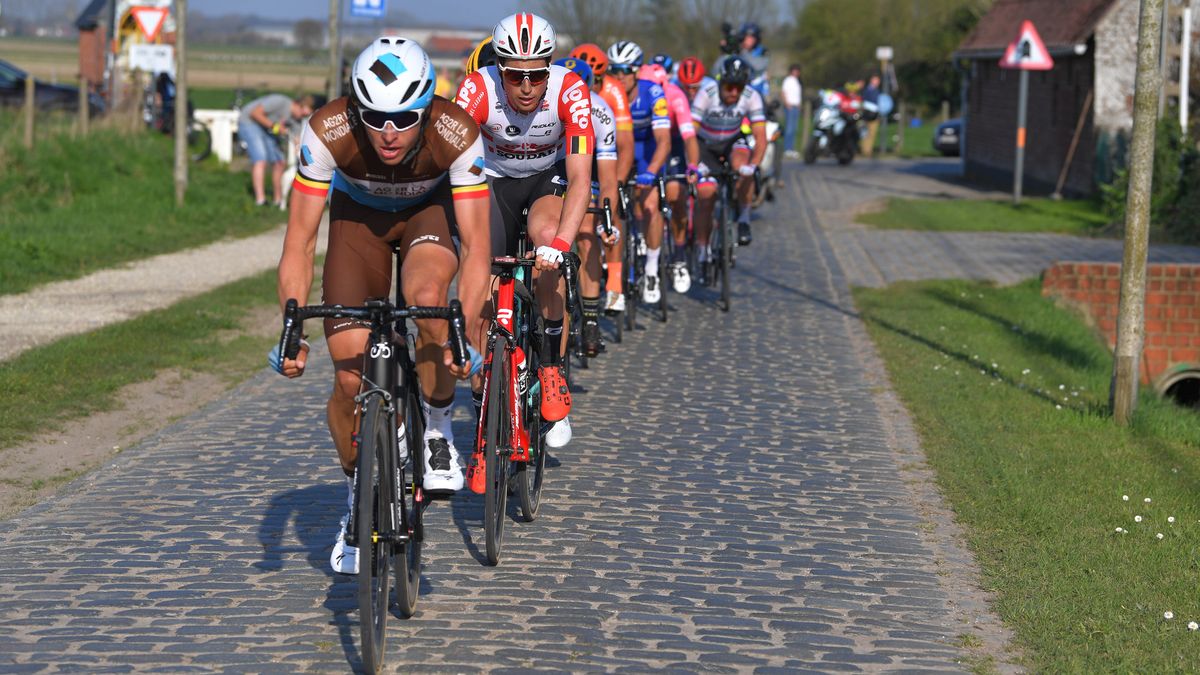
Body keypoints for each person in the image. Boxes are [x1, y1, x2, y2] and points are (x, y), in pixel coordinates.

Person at [272, 37, 491, 575]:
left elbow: (479, 244)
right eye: (375, 118)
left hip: (428, 215)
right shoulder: (328, 130)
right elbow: (299, 242)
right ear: (355, 107)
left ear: (426, 108)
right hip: (359, 223)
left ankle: (437, 428)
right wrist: (291, 330)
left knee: (426, 303)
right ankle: (360, 490)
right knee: (349, 376)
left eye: (404, 118)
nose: (389, 133)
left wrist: (466, 329)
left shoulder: (456, 132)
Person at [456, 12, 595, 450]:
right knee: (480, 272)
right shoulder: (477, 89)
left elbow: (580, 178)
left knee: (547, 246)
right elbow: (451, 161)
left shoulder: (570, 90)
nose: (528, 87)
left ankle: (551, 368)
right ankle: (483, 377)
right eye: (516, 76)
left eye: (537, 75)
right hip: (491, 182)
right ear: (500, 68)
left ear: (549, 67)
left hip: (545, 181)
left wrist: (559, 246)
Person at [553, 56, 621, 358]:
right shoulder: (548, 104)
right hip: (554, 169)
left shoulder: (600, 112)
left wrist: (607, 218)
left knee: (584, 229)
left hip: (588, 170)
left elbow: (607, 179)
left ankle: (591, 316)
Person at [570, 42, 635, 314]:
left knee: (611, 208)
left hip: (603, 154)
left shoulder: (612, 92)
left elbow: (626, 146)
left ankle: (615, 286)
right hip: (573, 154)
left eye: (598, 80)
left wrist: (614, 189)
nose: (594, 85)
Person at [607, 40, 671, 305]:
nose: (620, 76)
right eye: (615, 70)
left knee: (650, 205)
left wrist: (652, 172)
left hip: (646, 153)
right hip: (618, 151)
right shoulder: (608, 94)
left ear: (636, 72)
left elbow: (664, 140)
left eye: (625, 70)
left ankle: (653, 269)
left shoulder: (653, 93)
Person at [691, 57, 767, 252]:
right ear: (720, 82)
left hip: (732, 140)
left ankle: (744, 218)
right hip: (705, 143)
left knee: (744, 168)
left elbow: (760, 137)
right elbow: (690, 133)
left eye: (739, 88)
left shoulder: (751, 96)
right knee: (706, 194)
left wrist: (754, 165)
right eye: (729, 87)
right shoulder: (706, 94)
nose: (734, 92)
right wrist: (694, 163)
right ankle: (702, 248)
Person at [639, 62, 700, 294]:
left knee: (677, 193)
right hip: (645, 143)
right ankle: (639, 237)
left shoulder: (675, 96)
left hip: (671, 143)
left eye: (660, 87)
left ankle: (679, 256)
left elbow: (689, 136)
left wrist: (692, 165)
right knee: (640, 196)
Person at [237, 92, 315, 207]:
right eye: (302, 113)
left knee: (279, 162)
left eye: (305, 116)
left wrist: (309, 159)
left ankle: (278, 200)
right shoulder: (279, 101)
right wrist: (276, 127)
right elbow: (255, 113)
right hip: (249, 122)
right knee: (260, 159)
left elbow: (298, 141)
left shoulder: (296, 120)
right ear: (297, 104)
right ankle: (261, 200)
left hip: (266, 128)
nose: (301, 117)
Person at [714, 22, 770, 101]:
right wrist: (725, 52)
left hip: (756, 94)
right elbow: (715, 71)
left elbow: (758, 66)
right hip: (736, 93)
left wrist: (742, 50)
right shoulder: (735, 51)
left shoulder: (762, 52)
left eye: (752, 37)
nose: (748, 39)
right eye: (746, 36)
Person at [781, 64, 803, 159]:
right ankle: (787, 149)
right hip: (790, 107)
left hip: (795, 107)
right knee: (789, 128)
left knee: (794, 129)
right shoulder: (788, 80)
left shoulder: (797, 81)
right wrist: (786, 103)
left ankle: (791, 148)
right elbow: (783, 92)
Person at [860, 74, 881, 158]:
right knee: (865, 133)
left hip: (874, 115)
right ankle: (864, 150)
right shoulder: (866, 90)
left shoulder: (877, 91)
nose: (877, 82)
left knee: (872, 133)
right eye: (876, 80)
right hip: (867, 115)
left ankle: (868, 150)